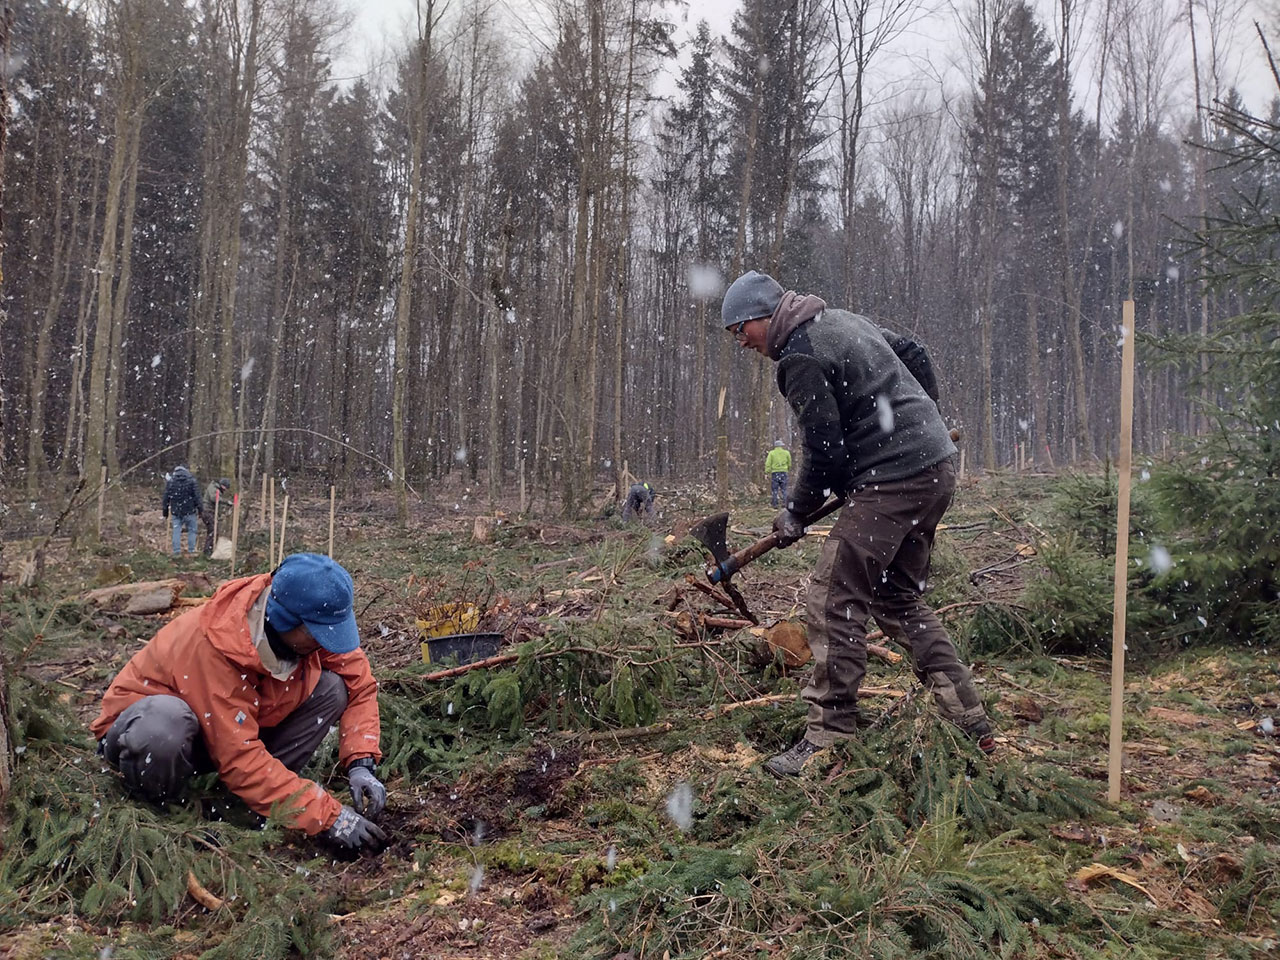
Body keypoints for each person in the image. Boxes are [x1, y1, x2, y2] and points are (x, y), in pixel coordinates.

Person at [720, 270, 994, 776]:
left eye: (741, 330)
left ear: (764, 315)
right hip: (934, 469)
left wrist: (796, 511)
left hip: (895, 480)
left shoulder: (799, 355)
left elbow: (824, 450)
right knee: (896, 597)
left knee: (832, 600)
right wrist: (926, 419)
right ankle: (968, 717)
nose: (742, 343)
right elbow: (912, 351)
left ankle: (827, 737)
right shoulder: (841, 320)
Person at [90, 553, 389, 854]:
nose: (327, 642)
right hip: (142, 737)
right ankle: (162, 817)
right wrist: (328, 816)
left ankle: (244, 807)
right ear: (285, 620)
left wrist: (360, 763)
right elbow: (239, 758)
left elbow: (359, 683)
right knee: (164, 724)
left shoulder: (306, 622)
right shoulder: (216, 646)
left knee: (332, 689)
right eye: (319, 634)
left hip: (221, 730)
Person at [162, 466, 202, 556]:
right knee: (192, 530)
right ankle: (191, 550)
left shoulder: (171, 482)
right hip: (190, 511)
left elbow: (166, 498)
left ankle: (176, 551)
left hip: (176, 511)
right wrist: (200, 510)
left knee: (176, 531)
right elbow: (197, 497)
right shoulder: (192, 481)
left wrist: (165, 512)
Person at [201, 477, 231, 557]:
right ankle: (208, 550)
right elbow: (214, 498)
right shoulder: (213, 488)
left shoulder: (216, 488)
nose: (225, 489)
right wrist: (226, 502)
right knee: (213, 530)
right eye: (225, 487)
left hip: (210, 511)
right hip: (207, 511)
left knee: (212, 530)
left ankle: (209, 549)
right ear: (222, 485)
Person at [764, 440, 791, 508]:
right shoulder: (786, 453)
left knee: (775, 489)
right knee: (784, 489)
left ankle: (775, 504)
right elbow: (789, 463)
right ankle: (785, 503)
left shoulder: (771, 453)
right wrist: (787, 469)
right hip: (784, 472)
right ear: (781, 445)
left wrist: (767, 472)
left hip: (775, 473)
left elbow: (768, 463)